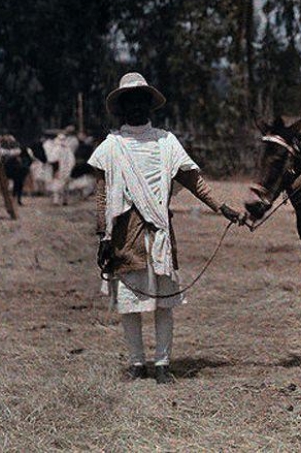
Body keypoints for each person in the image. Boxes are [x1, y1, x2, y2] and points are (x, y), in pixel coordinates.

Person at [88, 72, 245, 384]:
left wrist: (222, 207)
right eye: (130, 101)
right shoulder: (110, 147)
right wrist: (103, 235)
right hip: (125, 237)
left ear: (150, 105)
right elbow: (103, 194)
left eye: (141, 100)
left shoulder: (167, 143)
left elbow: (195, 182)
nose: (136, 106)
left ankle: (162, 364)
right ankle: (137, 363)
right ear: (121, 107)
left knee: (164, 303)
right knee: (129, 304)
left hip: (159, 234)